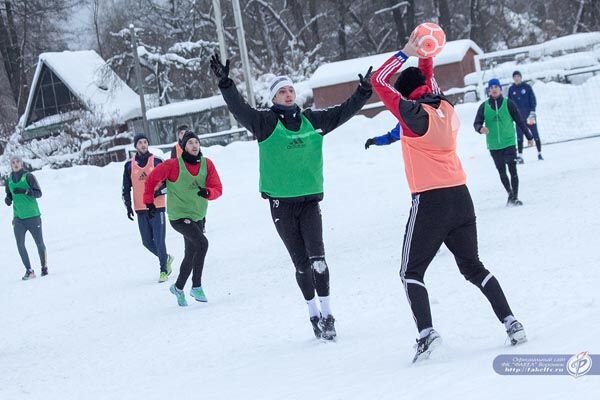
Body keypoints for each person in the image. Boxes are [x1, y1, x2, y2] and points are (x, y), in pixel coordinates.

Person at [371, 36, 526, 362]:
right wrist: (426, 55)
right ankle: (512, 322)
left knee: (410, 272)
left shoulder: (412, 115)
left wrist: (406, 53)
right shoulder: (445, 106)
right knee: (473, 267)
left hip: (430, 200)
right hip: (461, 197)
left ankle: (426, 335)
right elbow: (426, 79)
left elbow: (378, 81)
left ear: (406, 93)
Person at [209, 52, 372, 341]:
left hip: (309, 201)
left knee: (319, 259)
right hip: (281, 204)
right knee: (301, 264)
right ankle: (313, 315)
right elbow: (239, 108)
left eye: (290, 90)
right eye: (281, 91)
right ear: (273, 98)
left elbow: (341, 113)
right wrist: (226, 84)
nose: (287, 94)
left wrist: (362, 93)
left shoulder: (313, 120)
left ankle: (328, 314)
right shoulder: (264, 123)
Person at [144, 131, 222, 307]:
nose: (194, 145)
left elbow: (218, 187)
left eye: (196, 142)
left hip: (198, 215)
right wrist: (149, 201)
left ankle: (178, 288)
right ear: (183, 147)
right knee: (202, 243)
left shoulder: (207, 164)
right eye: (190, 143)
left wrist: (209, 192)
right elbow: (152, 179)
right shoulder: (172, 165)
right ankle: (196, 285)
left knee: (191, 253)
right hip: (179, 216)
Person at [122, 133, 173, 283]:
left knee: (159, 240)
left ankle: (164, 269)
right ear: (135, 146)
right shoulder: (129, 165)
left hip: (157, 206)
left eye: (145, 142)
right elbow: (125, 188)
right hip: (141, 208)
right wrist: (128, 206)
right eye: (140, 143)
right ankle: (166, 258)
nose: (143, 145)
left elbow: (169, 183)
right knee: (146, 242)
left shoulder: (157, 161)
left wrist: (158, 192)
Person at [474, 78, 533, 206]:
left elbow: (519, 121)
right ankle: (510, 193)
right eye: (491, 87)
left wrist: (529, 136)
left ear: (500, 89)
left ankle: (515, 197)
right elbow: (476, 123)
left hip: (509, 142)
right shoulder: (484, 106)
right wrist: (480, 128)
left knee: (512, 170)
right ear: (489, 91)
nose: (494, 89)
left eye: (496, 86)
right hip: (494, 145)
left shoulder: (509, 104)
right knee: (501, 171)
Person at [4, 155, 48, 280]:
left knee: (39, 243)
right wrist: (8, 199)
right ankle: (29, 270)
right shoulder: (9, 180)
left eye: (17, 161)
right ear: (11, 165)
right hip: (18, 218)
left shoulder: (28, 176)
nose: (15, 164)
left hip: (33, 216)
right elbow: (9, 195)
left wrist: (26, 192)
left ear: (21, 164)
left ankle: (44, 266)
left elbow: (39, 193)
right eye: (13, 162)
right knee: (20, 244)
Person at [508, 71, 543, 161]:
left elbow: (533, 100)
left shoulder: (527, 87)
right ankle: (520, 156)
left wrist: (532, 111)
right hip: (519, 118)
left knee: (535, 134)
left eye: (518, 76)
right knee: (519, 137)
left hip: (529, 116)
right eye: (515, 77)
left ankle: (539, 153)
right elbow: (509, 103)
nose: (516, 78)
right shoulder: (511, 89)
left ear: (521, 77)